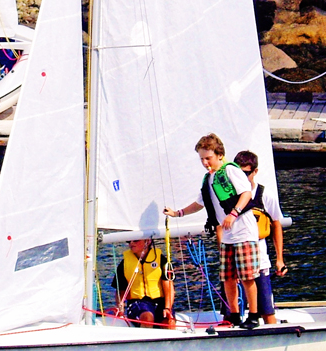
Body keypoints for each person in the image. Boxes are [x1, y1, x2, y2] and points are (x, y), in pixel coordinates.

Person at [163, 133, 261, 329]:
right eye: (201, 159)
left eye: (208, 158)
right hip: (228, 236)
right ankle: (233, 315)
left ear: (219, 155)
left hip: (243, 231)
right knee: (228, 277)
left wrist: (233, 214)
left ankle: (254, 316)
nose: (205, 162)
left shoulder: (230, 171)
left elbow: (246, 193)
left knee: (247, 276)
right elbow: (199, 203)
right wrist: (177, 213)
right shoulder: (209, 179)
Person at [234, 149, 288, 325]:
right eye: (238, 172)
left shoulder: (265, 195)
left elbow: (276, 225)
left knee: (267, 311)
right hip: (236, 260)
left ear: (255, 171)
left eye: (246, 173)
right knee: (232, 312)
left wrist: (279, 259)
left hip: (259, 261)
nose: (242, 177)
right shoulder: (229, 195)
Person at [111, 238, 176, 329]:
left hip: (159, 301)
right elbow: (121, 289)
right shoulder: (124, 263)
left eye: (135, 240)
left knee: (169, 322)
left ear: (148, 241)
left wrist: (167, 307)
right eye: (129, 241)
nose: (131, 243)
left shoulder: (161, 260)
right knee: (147, 318)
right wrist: (120, 308)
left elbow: (169, 287)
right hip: (138, 302)